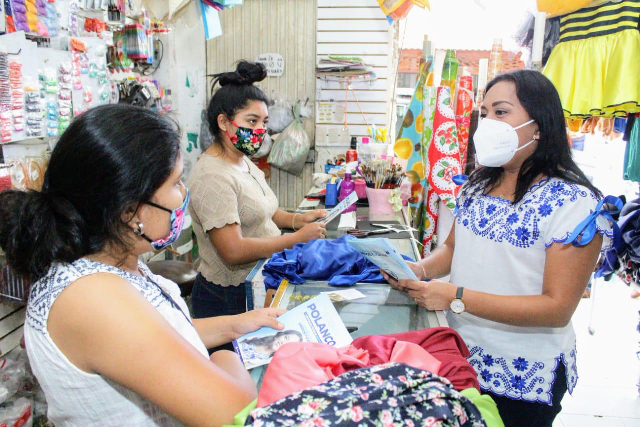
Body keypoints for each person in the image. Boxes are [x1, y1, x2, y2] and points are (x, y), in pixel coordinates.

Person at [0, 104, 287, 426]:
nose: (184, 195)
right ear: (130, 211)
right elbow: (235, 412)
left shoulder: (108, 263)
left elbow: (159, 334)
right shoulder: (93, 299)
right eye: (177, 183)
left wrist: (237, 325)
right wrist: (226, 355)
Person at [382, 70, 614, 427]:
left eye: (501, 112)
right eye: (485, 113)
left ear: (539, 125)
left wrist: (454, 296)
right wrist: (420, 271)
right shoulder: (477, 185)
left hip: (522, 376)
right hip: (458, 357)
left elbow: (556, 308)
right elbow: (453, 249)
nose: (488, 123)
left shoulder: (574, 203)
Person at [188, 61, 326, 328]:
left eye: (264, 122)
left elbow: (267, 210)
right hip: (228, 296)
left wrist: (300, 220)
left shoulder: (241, 160)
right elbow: (233, 250)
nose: (260, 130)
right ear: (224, 123)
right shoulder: (212, 176)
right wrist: (295, 240)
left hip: (258, 279)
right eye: (252, 121)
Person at [237, 330, 303, 364]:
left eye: (289, 345)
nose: (283, 343)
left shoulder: (262, 362)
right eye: (286, 338)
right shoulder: (256, 335)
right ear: (280, 335)